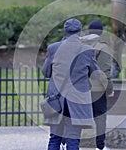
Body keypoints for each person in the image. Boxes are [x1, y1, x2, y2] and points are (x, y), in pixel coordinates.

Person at [42, 18, 100, 150]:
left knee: (54, 137)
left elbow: (46, 72)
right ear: (79, 31)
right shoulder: (87, 50)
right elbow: (96, 74)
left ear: (65, 31)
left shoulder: (53, 48)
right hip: (77, 100)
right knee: (73, 138)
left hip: (56, 99)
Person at [80, 20, 114, 150]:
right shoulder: (102, 47)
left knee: (76, 115)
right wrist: (109, 88)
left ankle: (69, 143)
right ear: (101, 32)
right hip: (96, 89)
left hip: (79, 87)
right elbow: (104, 71)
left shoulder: (79, 44)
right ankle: (100, 146)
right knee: (100, 117)